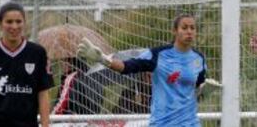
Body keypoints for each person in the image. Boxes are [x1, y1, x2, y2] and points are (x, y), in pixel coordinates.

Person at [78, 14, 207, 127]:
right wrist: (103, 59)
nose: (189, 31)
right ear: (174, 31)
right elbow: (127, 66)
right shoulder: (158, 54)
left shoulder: (199, 59)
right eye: (184, 28)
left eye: (192, 28)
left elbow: (197, 89)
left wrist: (205, 88)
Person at [0, 2, 54, 127]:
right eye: (9, 22)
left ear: (24, 22)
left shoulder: (38, 53)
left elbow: (43, 94)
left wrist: (46, 125)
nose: (14, 26)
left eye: (19, 21)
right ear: (0, 24)